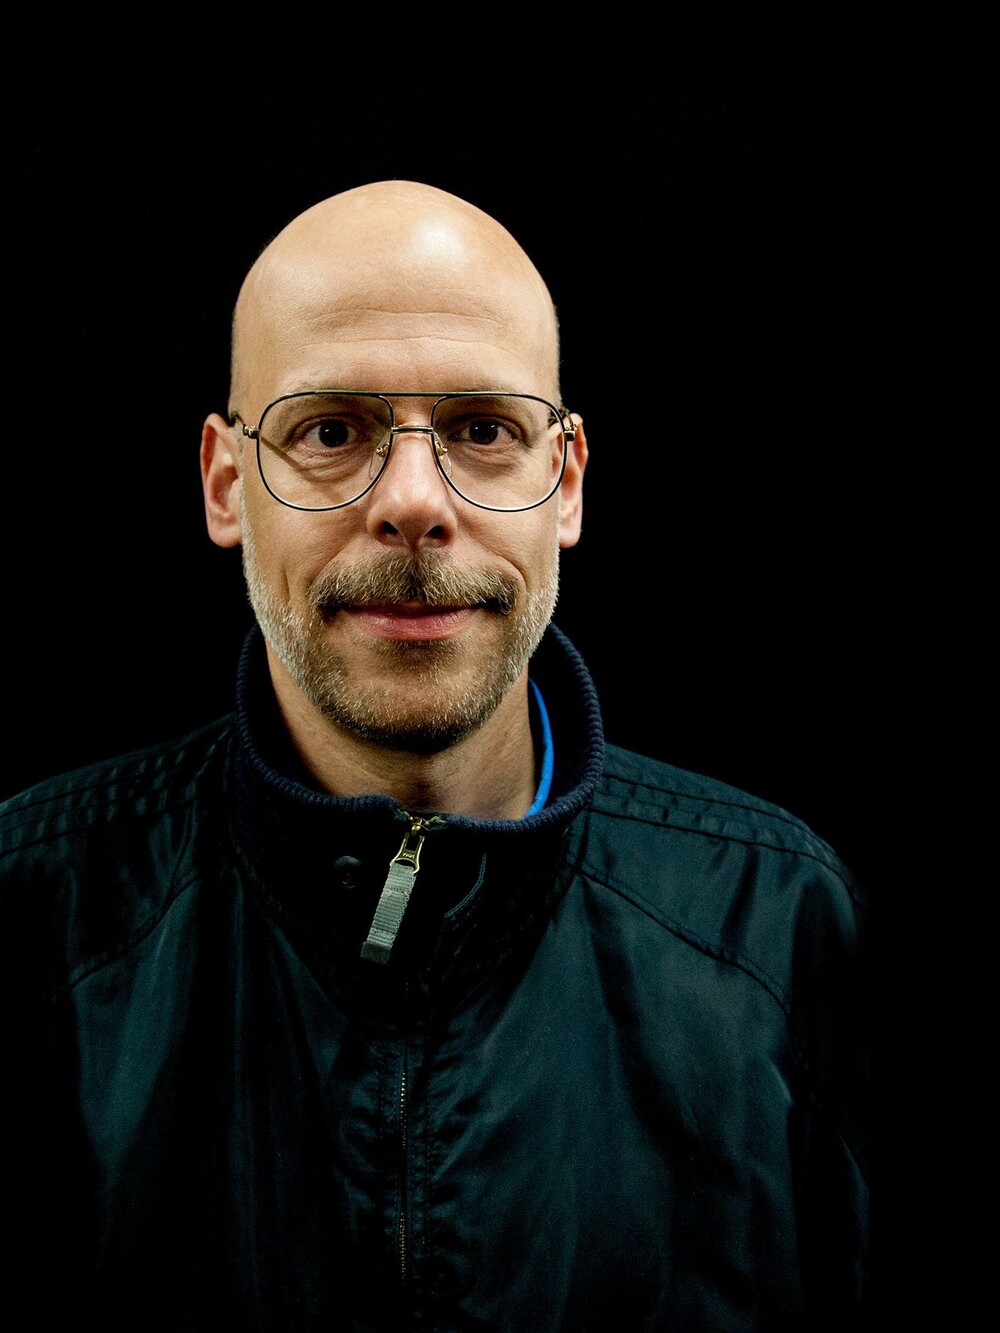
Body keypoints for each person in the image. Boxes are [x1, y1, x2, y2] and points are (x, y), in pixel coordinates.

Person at [1, 180, 868, 1330]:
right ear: (224, 483)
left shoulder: (777, 924)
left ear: (564, 482)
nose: (412, 502)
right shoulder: (25, 914)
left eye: (481, 432)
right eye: (330, 431)